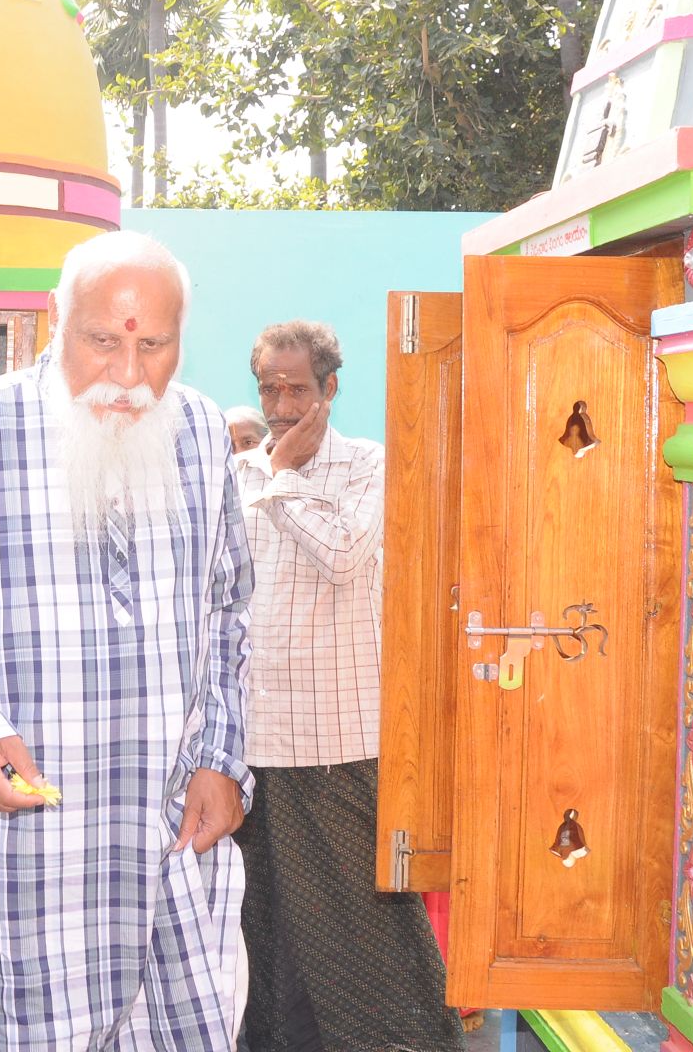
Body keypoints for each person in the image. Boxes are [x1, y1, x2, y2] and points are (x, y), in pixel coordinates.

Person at [0, 231, 253, 1051]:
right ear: (54, 323)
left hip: (165, 843)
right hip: (21, 860)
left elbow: (227, 607)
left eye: (153, 346)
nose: (128, 373)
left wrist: (221, 756)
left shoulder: (201, 433)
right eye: (103, 341)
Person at [233, 320, 458, 1052]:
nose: (281, 407)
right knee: (267, 929)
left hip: (340, 743)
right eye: (269, 389)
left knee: (367, 929)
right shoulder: (237, 474)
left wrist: (283, 479)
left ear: (330, 389)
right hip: (254, 746)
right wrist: (270, 474)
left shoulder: (368, 465)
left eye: (297, 389)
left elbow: (342, 554)